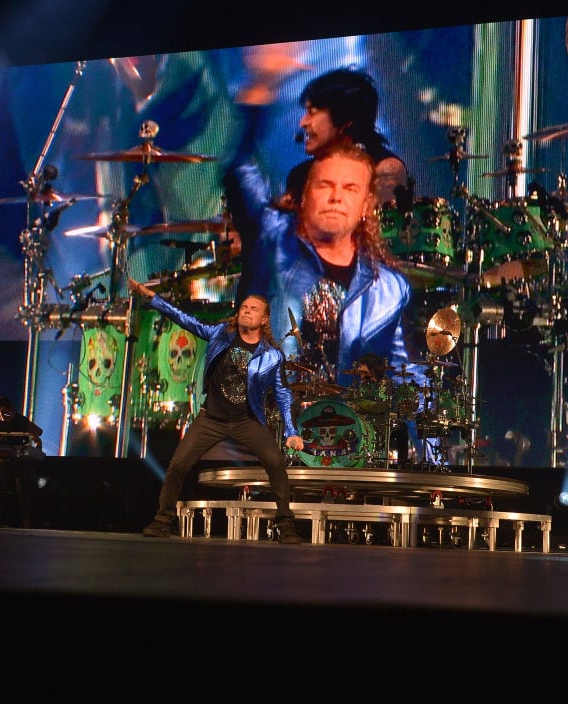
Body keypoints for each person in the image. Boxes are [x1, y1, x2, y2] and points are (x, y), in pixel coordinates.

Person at [225, 141, 423, 396]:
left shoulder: (389, 289)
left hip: (343, 426)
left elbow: (401, 370)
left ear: (366, 205)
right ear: (304, 198)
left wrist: (433, 415)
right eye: (325, 185)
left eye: (350, 188)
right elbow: (241, 175)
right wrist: (254, 111)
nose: (336, 197)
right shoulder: (273, 246)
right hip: (271, 418)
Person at [128, 279, 305, 543]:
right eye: (244, 307)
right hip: (211, 418)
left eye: (253, 309)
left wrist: (291, 431)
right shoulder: (221, 334)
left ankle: (286, 526)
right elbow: (184, 319)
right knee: (178, 465)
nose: (246, 310)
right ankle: (162, 520)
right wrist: (152, 298)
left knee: (276, 463)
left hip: (247, 420)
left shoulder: (272, 355)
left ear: (264, 319)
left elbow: (282, 393)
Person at [280, 66, 412, 209]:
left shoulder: (385, 170)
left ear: (344, 119)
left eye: (312, 113)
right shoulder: (299, 176)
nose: (303, 122)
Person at [0, 395, 45, 528]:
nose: (1, 415)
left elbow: (38, 432)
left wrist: (34, 438)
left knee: (23, 485)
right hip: (4, 457)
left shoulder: (20, 420)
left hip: (21, 458)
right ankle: (0, 520)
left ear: (10, 410)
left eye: (4, 412)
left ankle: (27, 520)